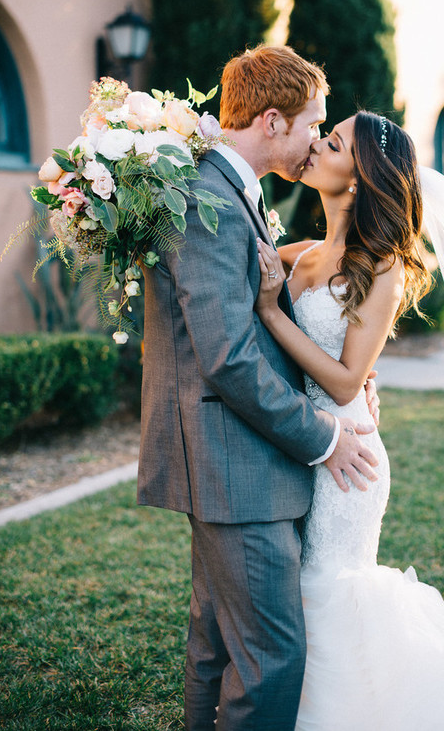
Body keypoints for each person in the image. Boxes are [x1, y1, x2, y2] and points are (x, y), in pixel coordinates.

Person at [255, 110, 444, 729]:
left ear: (359, 177)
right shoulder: (300, 254)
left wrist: (272, 313)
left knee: (330, 588)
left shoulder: (384, 266)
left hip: (350, 462)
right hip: (301, 444)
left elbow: (346, 379)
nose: (315, 144)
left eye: (333, 143)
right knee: (301, 595)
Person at [137, 46, 381, 731]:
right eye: (314, 124)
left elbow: (259, 318)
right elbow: (229, 358)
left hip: (231, 455)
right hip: (237, 464)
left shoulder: (231, 188)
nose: (316, 139)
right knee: (271, 657)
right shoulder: (210, 198)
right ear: (273, 121)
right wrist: (325, 435)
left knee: (216, 645)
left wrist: (347, 372)